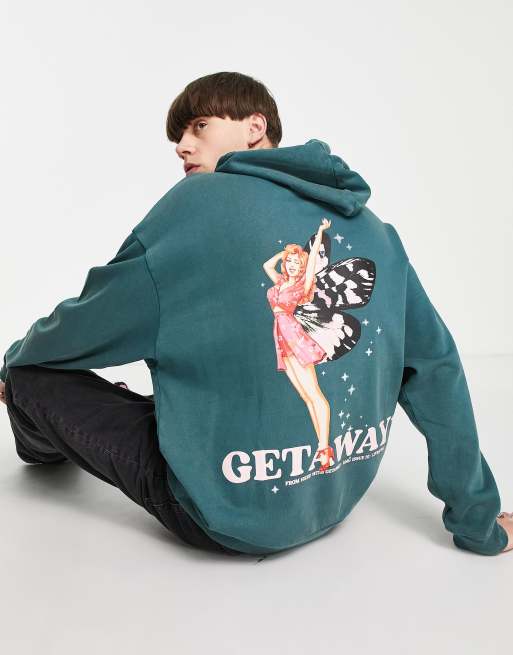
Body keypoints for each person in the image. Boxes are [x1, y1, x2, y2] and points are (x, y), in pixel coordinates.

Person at [1, 71, 511, 557]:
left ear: (254, 126)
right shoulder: (375, 228)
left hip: (223, 516)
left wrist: (18, 357)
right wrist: (478, 521)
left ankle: (39, 444)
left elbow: (94, 321)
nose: (182, 146)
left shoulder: (198, 203)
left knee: (26, 374)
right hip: (334, 501)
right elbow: (436, 368)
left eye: (199, 126)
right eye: (178, 136)